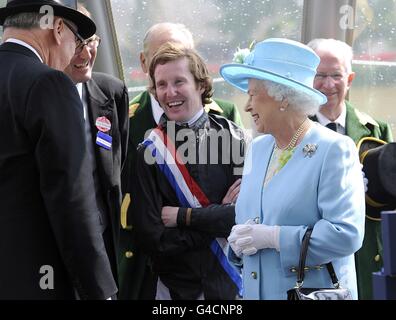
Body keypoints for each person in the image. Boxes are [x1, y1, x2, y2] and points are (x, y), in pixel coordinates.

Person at [220, 38, 365, 299]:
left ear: (282, 97)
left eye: (253, 94)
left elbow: (346, 234)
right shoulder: (259, 148)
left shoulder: (334, 149)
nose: (247, 105)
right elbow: (252, 222)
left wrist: (275, 238)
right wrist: (238, 244)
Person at [0, 0, 117, 299]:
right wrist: (99, 290)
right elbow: (72, 198)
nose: (75, 53)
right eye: (78, 41)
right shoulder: (48, 83)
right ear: (58, 27)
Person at [119, 22, 243, 300]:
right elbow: (154, 239)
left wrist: (184, 217)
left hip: (230, 286)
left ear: (200, 84)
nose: (170, 92)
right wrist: (215, 218)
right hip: (175, 291)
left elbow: (243, 217)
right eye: (161, 85)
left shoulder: (233, 137)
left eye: (179, 82)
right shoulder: (148, 151)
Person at [307, 38, 393, 299]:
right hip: (316, 257)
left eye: (337, 75)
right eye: (320, 75)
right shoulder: (294, 131)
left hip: (369, 256)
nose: (329, 84)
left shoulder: (375, 130)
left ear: (350, 78)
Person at [64, 4, 129, 291]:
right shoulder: (34, 96)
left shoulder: (112, 92)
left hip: (104, 237)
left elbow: (119, 162)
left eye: (91, 42)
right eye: (77, 43)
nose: (87, 53)